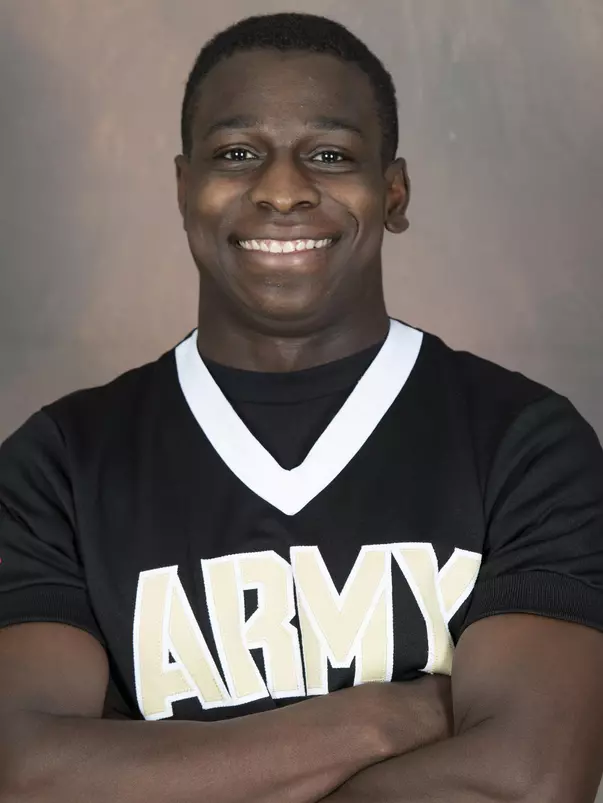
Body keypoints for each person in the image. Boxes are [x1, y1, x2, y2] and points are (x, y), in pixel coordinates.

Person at [1, 10, 603, 803]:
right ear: (184, 189)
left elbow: (526, 781)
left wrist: (157, 773)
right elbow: (27, 772)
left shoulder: (525, 441)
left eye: (329, 154)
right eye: (236, 153)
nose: (281, 190)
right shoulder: (60, 463)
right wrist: (387, 718)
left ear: (392, 191)